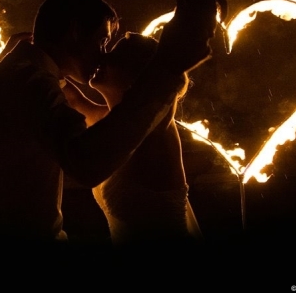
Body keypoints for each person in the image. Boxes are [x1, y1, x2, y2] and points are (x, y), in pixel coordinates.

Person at [0, 0, 226, 245]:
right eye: (102, 40)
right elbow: (86, 162)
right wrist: (169, 63)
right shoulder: (33, 83)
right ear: (75, 31)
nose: (103, 54)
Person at [63, 33, 203, 247]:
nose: (102, 58)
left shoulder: (155, 129)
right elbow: (71, 98)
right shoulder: (116, 123)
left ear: (138, 78)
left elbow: (166, 81)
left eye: (115, 55)